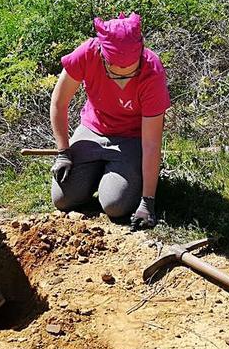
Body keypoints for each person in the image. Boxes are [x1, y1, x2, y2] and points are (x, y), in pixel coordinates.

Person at [49, 13, 170, 230]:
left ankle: (119, 179)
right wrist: (63, 152)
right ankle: (96, 172)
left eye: (130, 70)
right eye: (116, 71)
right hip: (93, 130)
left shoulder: (152, 70)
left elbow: (151, 143)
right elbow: (59, 102)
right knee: (62, 199)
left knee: (115, 206)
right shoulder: (87, 53)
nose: (124, 76)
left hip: (131, 138)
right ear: (103, 56)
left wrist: (147, 202)